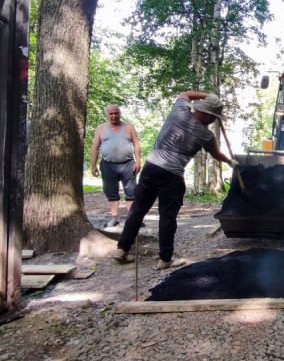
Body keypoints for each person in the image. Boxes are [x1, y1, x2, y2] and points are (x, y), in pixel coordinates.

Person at [113, 92, 238, 270]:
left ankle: (122, 249)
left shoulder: (179, 111)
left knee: (137, 210)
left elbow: (184, 94)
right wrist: (230, 162)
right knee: (167, 217)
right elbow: (216, 154)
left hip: (151, 167)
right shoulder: (206, 135)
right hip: (171, 176)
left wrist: (206, 94)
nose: (213, 121)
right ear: (210, 116)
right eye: (214, 117)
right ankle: (165, 259)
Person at [90, 105, 141, 228]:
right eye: (111, 114)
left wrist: (138, 161)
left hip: (128, 164)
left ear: (120, 113)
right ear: (107, 115)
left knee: (131, 192)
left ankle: (132, 219)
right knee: (111, 191)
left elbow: (136, 144)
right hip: (108, 165)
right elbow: (95, 147)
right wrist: (93, 166)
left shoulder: (128, 127)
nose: (114, 116)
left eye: (116, 113)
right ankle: (114, 218)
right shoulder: (101, 128)